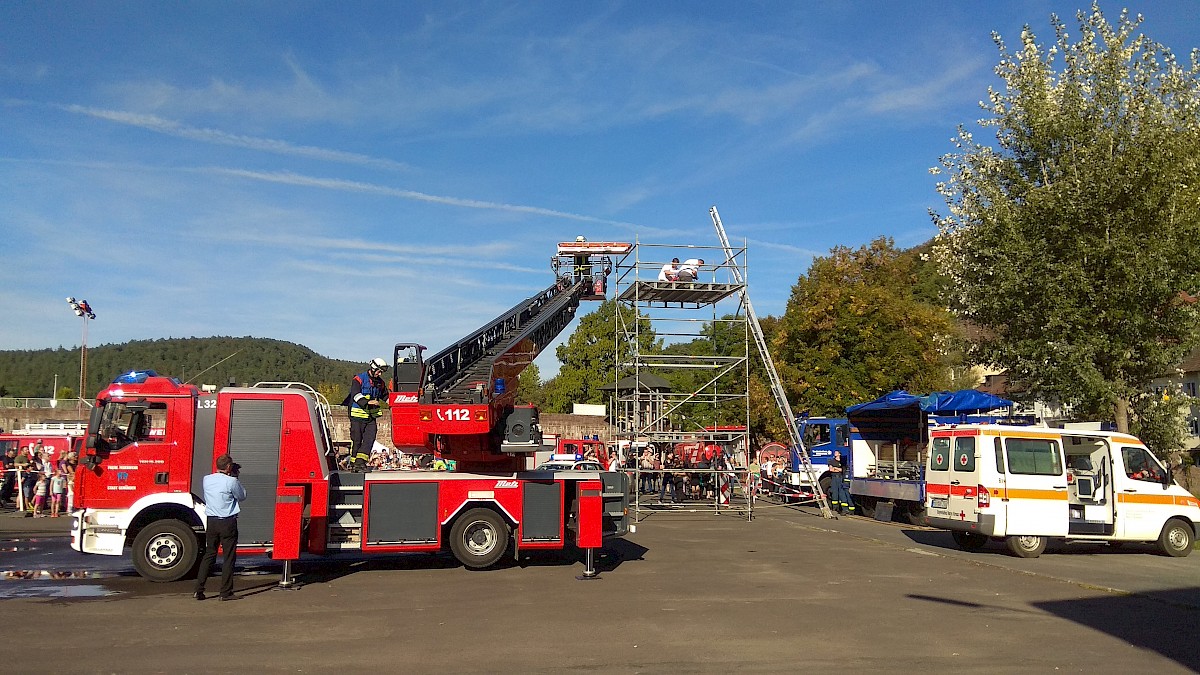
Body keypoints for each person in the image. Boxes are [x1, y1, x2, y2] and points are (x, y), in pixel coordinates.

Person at [194, 454, 247, 601]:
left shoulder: (207, 479)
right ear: (229, 467)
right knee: (228, 557)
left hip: (211, 522)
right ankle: (225, 593)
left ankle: (198, 590)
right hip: (227, 522)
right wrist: (235, 477)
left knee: (209, 554)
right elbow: (242, 496)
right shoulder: (231, 482)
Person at [344, 358, 391, 472]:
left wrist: (395, 405)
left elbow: (386, 397)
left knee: (370, 439)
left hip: (370, 417)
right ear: (373, 368)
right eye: (379, 371)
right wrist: (367, 402)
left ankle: (361, 462)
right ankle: (355, 465)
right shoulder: (359, 379)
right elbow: (355, 394)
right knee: (357, 440)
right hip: (357, 416)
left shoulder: (380, 383)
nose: (380, 374)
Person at [828, 450, 855, 515]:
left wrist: (835, 468)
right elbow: (831, 469)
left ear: (839, 454)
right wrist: (837, 469)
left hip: (840, 478)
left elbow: (842, 470)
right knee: (835, 492)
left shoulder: (842, 462)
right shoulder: (831, 461)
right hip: (834, 478)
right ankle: (835, 507)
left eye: (836, 452)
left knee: (842, 493)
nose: (835, 453)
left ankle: (846, 509)